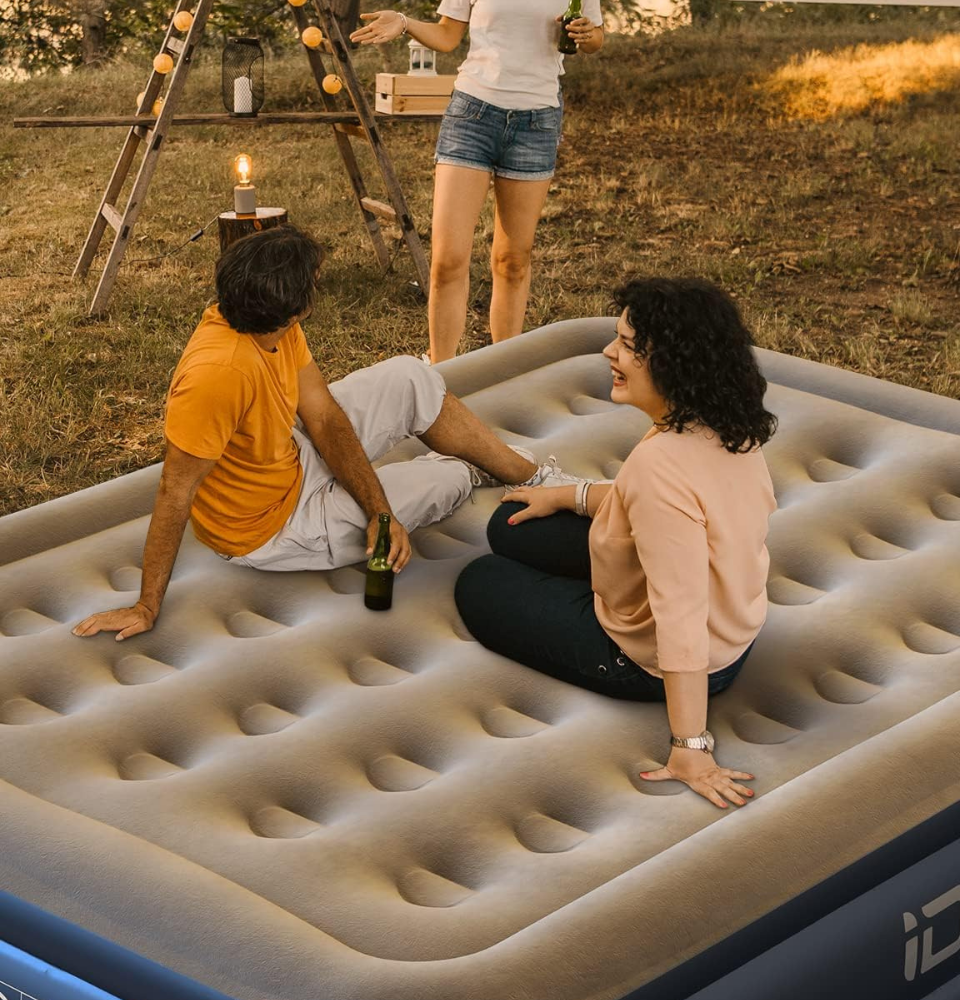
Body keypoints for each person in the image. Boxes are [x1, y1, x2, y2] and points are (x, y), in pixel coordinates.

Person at [72, 225, 579, 642]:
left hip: (291, 457)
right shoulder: (214, 376)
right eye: (315, 283)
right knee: (444, 484)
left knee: (409, 375)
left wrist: (379, 512)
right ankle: (463, 467)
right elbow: (174, 490)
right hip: (271, 528)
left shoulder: (271, 323)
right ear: (297, 307)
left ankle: (533, 476)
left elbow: (324, 416)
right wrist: (146, 604)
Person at [455, 277, 778, 809]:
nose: (609, 352)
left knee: (480, 581)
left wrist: (690, 747)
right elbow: (673, 510)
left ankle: (655, 695)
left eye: (628, 346)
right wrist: (572, 496)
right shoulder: (726, 424)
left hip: (653, 656)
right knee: (507, 526)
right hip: (729, 621)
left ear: (673, 364)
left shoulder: (659, 468)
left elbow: (679, 613)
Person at [350, 1, 604, 363]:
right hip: (472, 116)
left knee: (512, 261)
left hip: (537, 122)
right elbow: (447, 35)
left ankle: (500, 374)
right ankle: (442, 375)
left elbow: (595, 39)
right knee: (448, 261)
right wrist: (404, 22)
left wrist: (588, 35)